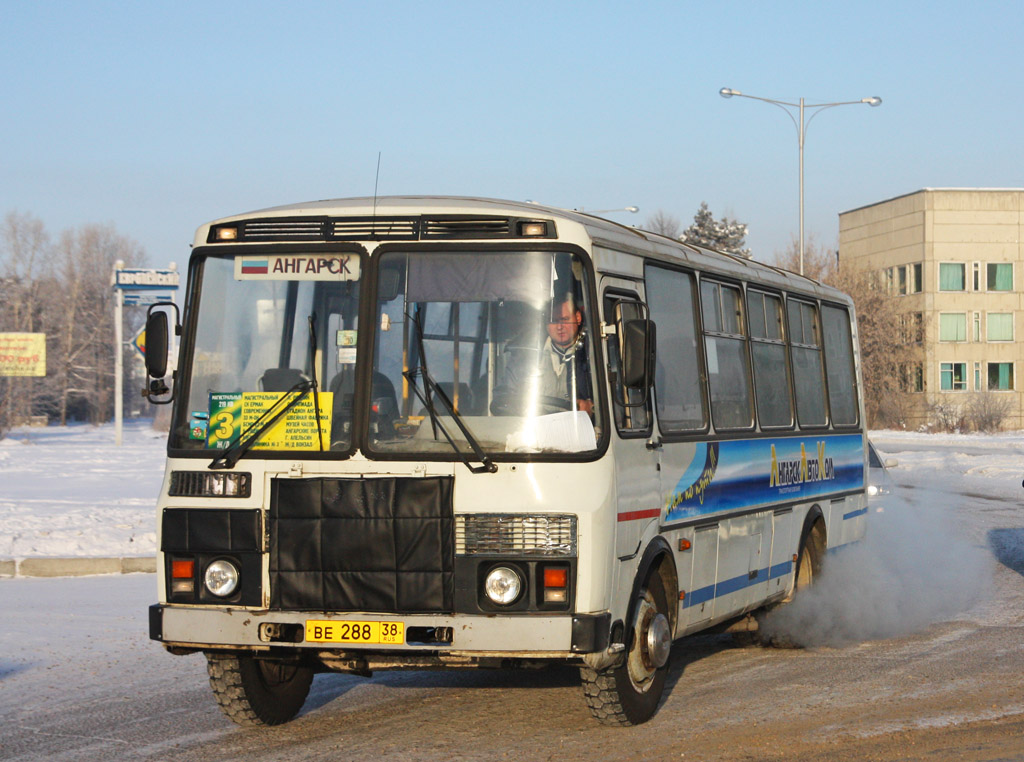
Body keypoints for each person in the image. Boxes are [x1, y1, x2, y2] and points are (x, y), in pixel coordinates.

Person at [495, 292, 593, 415]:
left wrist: (592, 407)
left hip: (578, 431)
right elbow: (502, 396)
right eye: (553, 321)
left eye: (565, 319)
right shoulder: (524, 356)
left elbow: (617, 406)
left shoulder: (594, 356)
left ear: (578, 318)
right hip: (533, 430)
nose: (559, 327)